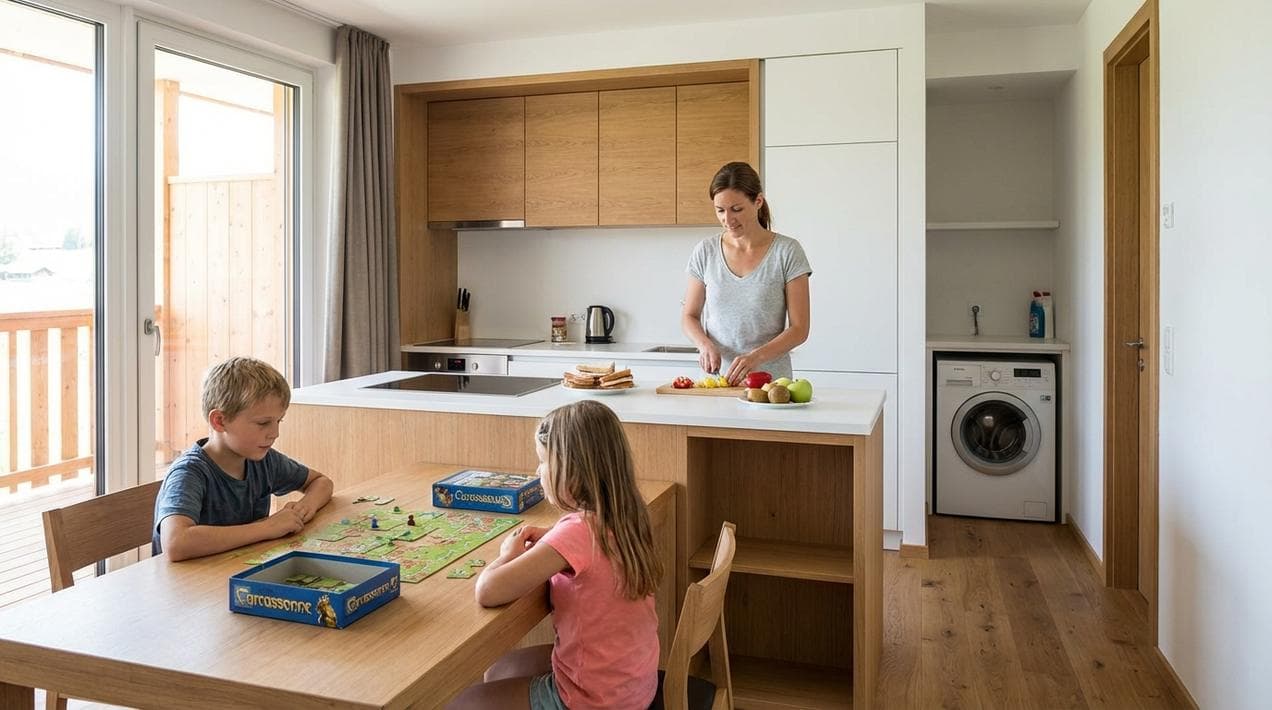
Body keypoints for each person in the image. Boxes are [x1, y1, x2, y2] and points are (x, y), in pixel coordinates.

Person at [447, 400, 663, 710]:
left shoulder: (577, 532)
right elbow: (591, 558)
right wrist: (553, 543)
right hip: (633, 685)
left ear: (572, 472)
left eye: (543, 461)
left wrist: (507, 554)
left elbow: (488, 591)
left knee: (462, 702)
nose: (538, 471)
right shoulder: (629, 515)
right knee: (498, 669)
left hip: (594, 700)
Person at [152, 356, 333, 562]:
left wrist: (304, 507)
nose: (274, 433)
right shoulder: (189, 473)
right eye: (263, 423)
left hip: (236, 570)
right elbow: (176, 543)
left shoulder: (264, 460)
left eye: (278, 421)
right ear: (220, 421)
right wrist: (266, 528)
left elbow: (322, 482)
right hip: (187, 586)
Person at [682, 161, 812, 384]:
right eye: (720, 210)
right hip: (716, 383)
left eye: (737, 209)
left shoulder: (787, 251)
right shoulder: (705, 251)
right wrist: (704, 344)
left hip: (771, 387)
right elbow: (689, 316)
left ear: (758, 201)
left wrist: (754, 358)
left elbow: (800, 328)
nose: (727, 219)